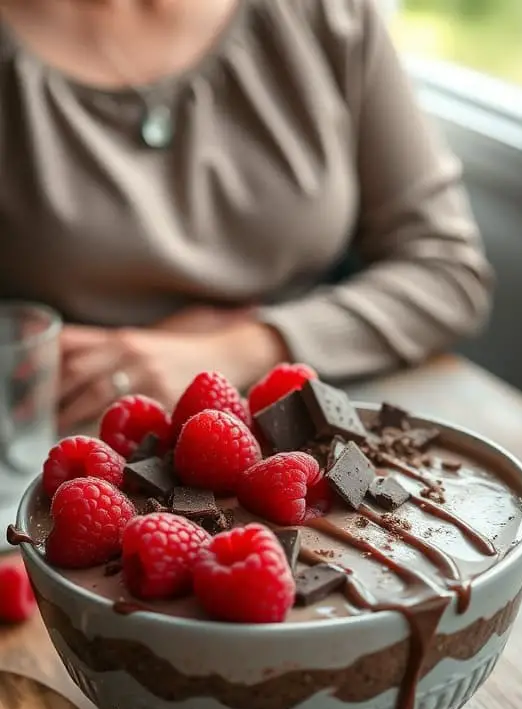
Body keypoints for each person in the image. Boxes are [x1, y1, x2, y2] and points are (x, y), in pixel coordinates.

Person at [0, 0, 492, 430]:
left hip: (313, 431)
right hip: (52, 445)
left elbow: (448, 271)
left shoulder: (326, 13)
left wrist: (243, 347)